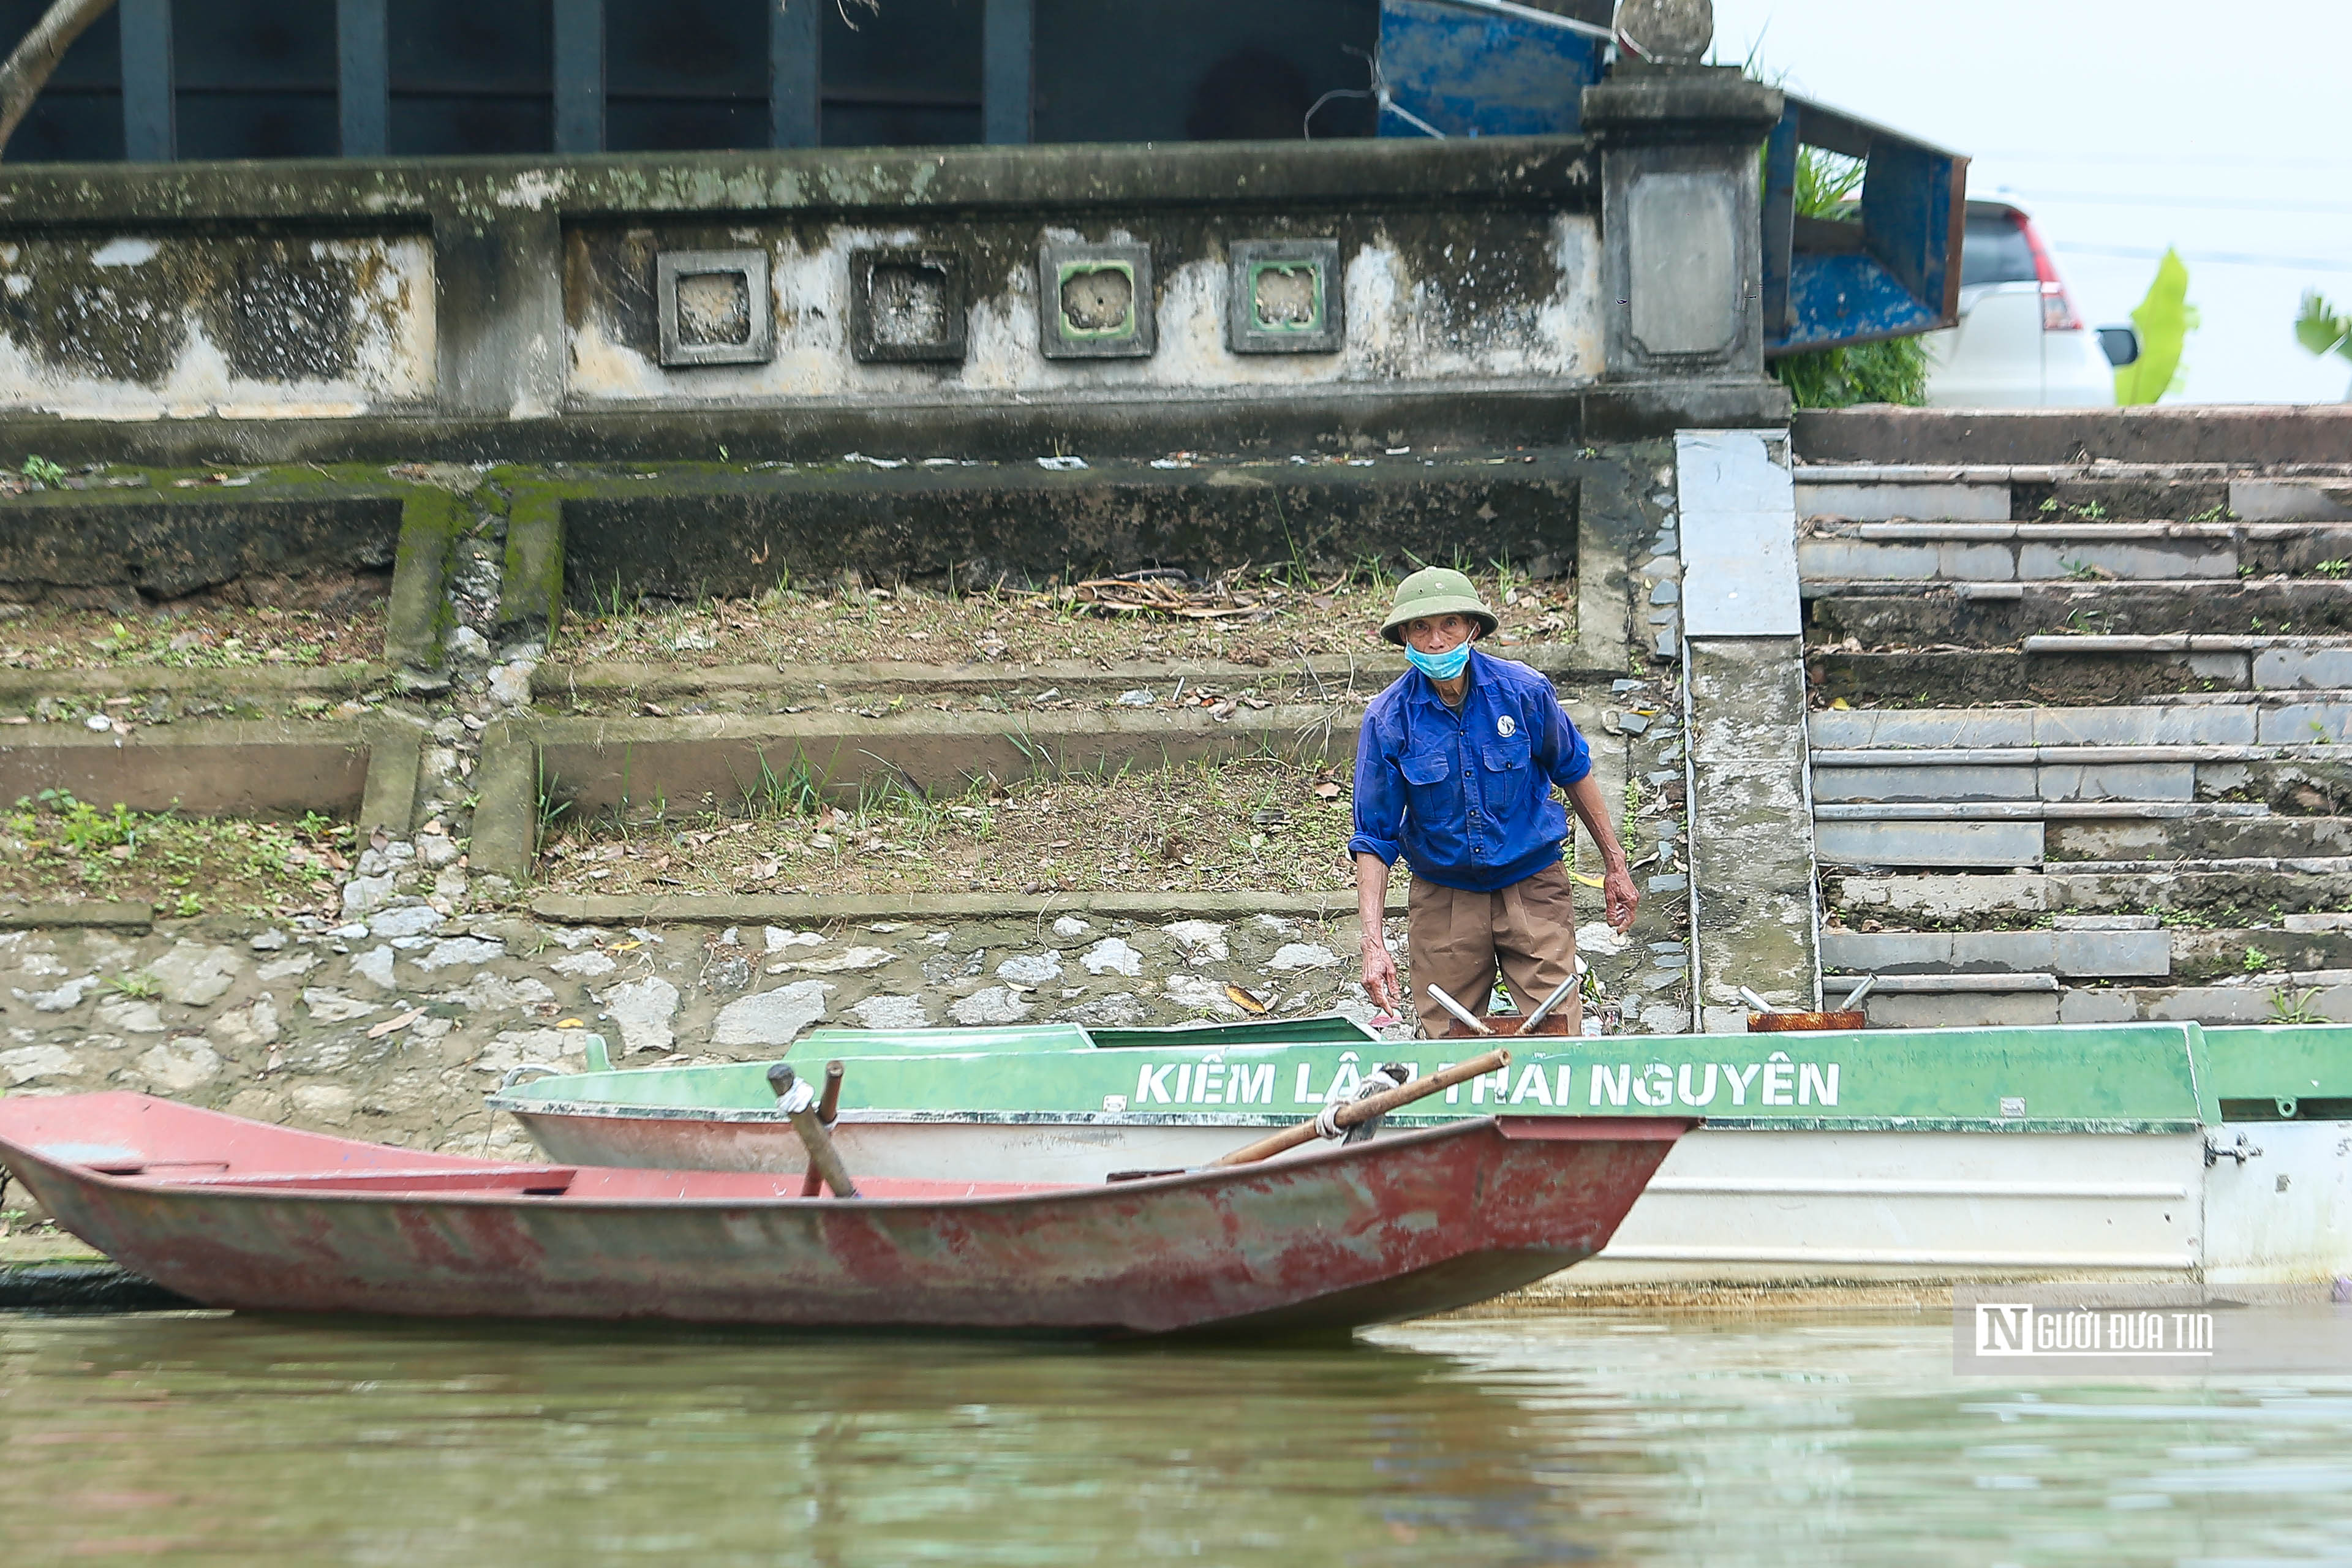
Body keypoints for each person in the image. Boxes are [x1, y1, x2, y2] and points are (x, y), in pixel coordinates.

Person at [1349, 567, 1639, 1035]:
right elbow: (1374, 836)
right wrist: (1373, 942)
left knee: (1556, 1030)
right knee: (1447, 1039)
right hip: (1444, 899)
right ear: (1404, 636)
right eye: (1421, 628)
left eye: (1450, 625)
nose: (1437, 640)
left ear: (1473, 629)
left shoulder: (1523, 692)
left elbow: (1573, 769)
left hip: (1532, 885)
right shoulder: (1388, 719)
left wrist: (1616, 865)